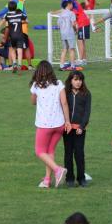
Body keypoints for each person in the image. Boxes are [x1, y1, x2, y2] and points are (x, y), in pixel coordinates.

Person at [30, 60, 71, 189]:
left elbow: (33, 102)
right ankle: (47, 180)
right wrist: (67, 121)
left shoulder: (36, 86)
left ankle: (57, 170)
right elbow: (64, 103)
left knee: (39, 151)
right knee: (49, 151)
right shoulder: (59, 84)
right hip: (59, 124)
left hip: (44, 124)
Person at [64, 71, 92, 187]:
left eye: (80, 80)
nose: (78, 82)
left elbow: (87, 111)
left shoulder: (86, 94)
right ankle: (69, 178)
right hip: (67, 128)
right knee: (68, 153)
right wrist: (66, 123)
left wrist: (82, 126)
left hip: (80, 129)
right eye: (75, 80)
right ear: (70, 80)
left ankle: (81, 178)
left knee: (79, 153)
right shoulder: (65, 93)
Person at [4, 1, 27, 73]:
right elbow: (25, 18)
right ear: (16, 7)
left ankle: (14, 63)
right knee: (20, 50)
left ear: (8, 7)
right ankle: (19, 64)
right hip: (19, 35)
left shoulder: (8, 15)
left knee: (12, 49)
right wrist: (22, 22)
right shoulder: (20, 14)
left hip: (12, 35)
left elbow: (6, 22)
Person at [57, 0, 77, 71]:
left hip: (63, 33)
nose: (72, 6)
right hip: (70, 33)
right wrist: (75, 30)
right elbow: (73, 24)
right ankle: (72, 66)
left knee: (64, 49)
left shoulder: (61, 14)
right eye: (71, 4)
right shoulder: (71, 13)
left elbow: (58, 24)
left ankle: (61, 66)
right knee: (72, 49)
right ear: (68, 4)